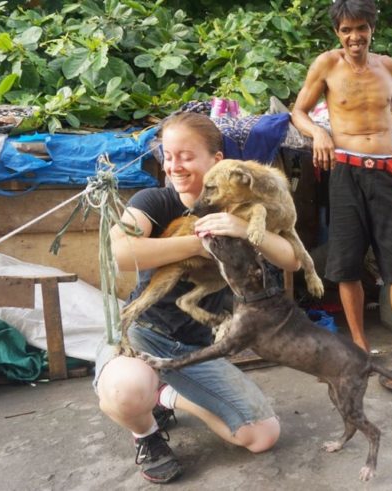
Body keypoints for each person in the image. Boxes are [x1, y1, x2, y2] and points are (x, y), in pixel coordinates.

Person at [94, 112, 301, 483]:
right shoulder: (153, 200)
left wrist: (242, 228)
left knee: (262, 435)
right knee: (125, 391)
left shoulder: (236, 205)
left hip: (198, 347)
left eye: (186, 156)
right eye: (168, 156)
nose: (175, 166)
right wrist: (200, 242)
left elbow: (291, 258)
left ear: (217, 162)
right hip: (146, 332)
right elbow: (121, 253)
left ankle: (168, 397)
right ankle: (147, 436)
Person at [290, 0, 392, 377]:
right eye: (346, 30)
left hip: (386, 174)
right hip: (345, 173)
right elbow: (299, 111)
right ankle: (360, 350)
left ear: (371, 28)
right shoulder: (326, 65)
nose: (354, 37)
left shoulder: (387, 66)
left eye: (360, 28)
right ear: (337, 33)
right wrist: (319, 133)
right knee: (346, 266)